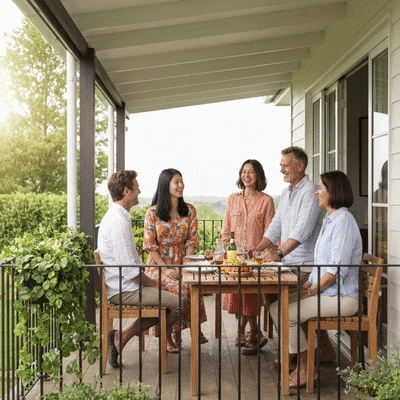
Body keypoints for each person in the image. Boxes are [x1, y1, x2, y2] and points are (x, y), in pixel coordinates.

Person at [269, 170, 362, 388]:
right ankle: (306, 359)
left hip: (343, 297)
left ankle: (305, 369)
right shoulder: (330, 219)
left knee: (288, 314)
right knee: (276, 307)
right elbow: (318, 269)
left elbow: (332, 273)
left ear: (333, 192)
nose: (317, 192)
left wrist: (309, 292)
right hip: (327, 292)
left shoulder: (343, 222)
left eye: (321, 188)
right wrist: (305, 286)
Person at [247, 146, 335, 361]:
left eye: (285, 166)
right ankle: (311, 349)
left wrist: (278, 251)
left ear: (300, 166)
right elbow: (276, 225)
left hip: (305, 265)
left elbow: (302, 230)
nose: (281, 170)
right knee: (270, 294)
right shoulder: (286, 193)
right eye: (281, 166)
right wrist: (258, 248)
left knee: (284, 301)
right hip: (288, 263)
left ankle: (299, 353)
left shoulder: (310, 192)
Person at [97, 170, 182, 369]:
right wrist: (155, 283)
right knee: (177, 303)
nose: (139, 191)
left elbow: (132, 266)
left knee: (167, 296)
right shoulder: (118, 222)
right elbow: (131, 273)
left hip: (125, 286)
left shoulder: (118, 217)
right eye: (136, 188)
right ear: (127, 191)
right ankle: (127, 336)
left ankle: (122, 336)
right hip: (123, 291)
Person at [144, 168, 208, 353]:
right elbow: (149, 245)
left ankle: (193, 328)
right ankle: (168, 336)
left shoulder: (189, 210)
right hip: (158, 264)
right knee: (174, 287)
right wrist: (165, 269)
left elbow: (192, 240)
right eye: (176, 182)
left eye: (181, 181)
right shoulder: (152, 213)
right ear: (166, 185)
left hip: (182, 260)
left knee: (191, 284)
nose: (181, 185)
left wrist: (185, 265)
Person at [221, 159, 275, 355]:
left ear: (258, 175)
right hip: (236, 258)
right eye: (244, 171)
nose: (247, 175)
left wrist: (261, 251)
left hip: (256, 258)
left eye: (251, 172)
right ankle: (251, 330)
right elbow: (226, 230)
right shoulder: (232, 199)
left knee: (250, 293)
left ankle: (247, 331)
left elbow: (270, 230)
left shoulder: (266, 201)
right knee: (237, 295)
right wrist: (229, 250)